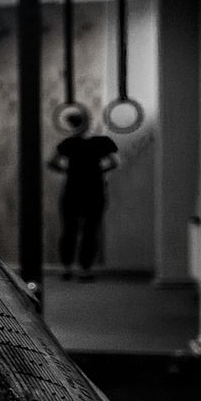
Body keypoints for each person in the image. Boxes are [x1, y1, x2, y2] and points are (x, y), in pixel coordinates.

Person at [48, 107, 119, 281]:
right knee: (88, 231)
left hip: (75, 189)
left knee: (71, 231)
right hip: (93, 189)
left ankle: (68, 269)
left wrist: (71, 171)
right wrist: (97, 172)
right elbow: (113, 163)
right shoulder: (100, 142)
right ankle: (83, 270)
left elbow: (53, 163)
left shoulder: (69, 143)